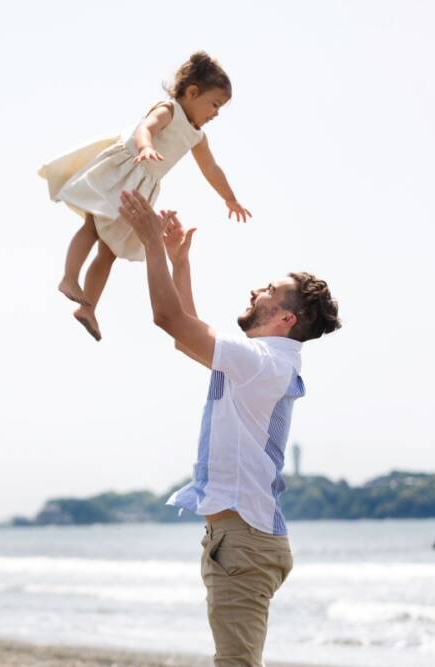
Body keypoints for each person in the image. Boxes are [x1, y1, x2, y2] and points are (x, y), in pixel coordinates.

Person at [117, 191, 341, 667]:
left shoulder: (262, 363)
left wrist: (153, 244)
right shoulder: (262, 363)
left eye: (269, 291)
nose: (256, 290)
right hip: (239, 540)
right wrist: (180, 261)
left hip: (243, 541)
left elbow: (169, 320)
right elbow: (187, 337)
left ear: (285, 318)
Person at [39, 51, 251, 341]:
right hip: (124, 171)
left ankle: (87, 308)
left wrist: (230, 198)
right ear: (192, 92)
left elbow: (211, 169)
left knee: (109, 250)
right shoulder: (170, 110)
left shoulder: (197, 136)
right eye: (213, 104)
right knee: (92, 226)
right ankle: (69, 277)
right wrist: (145, 148)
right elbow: (145, 128)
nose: (215, 113)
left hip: (141, 186)